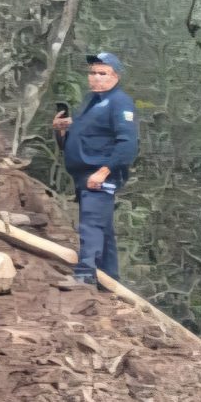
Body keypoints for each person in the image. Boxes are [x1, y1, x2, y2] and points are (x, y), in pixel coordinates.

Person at [50, 52, 140, 289]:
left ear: (116, 76)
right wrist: (62, 130)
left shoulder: (120, 102)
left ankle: (85, 275)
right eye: (93, 73)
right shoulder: (91, 102)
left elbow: (127, 143)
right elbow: (83, 135)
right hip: (83, 174)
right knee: (103, 228)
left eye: (103, 73)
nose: (96, 78)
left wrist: (104, 172)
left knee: (90, 224)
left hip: (99, 175)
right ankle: (110, 281)